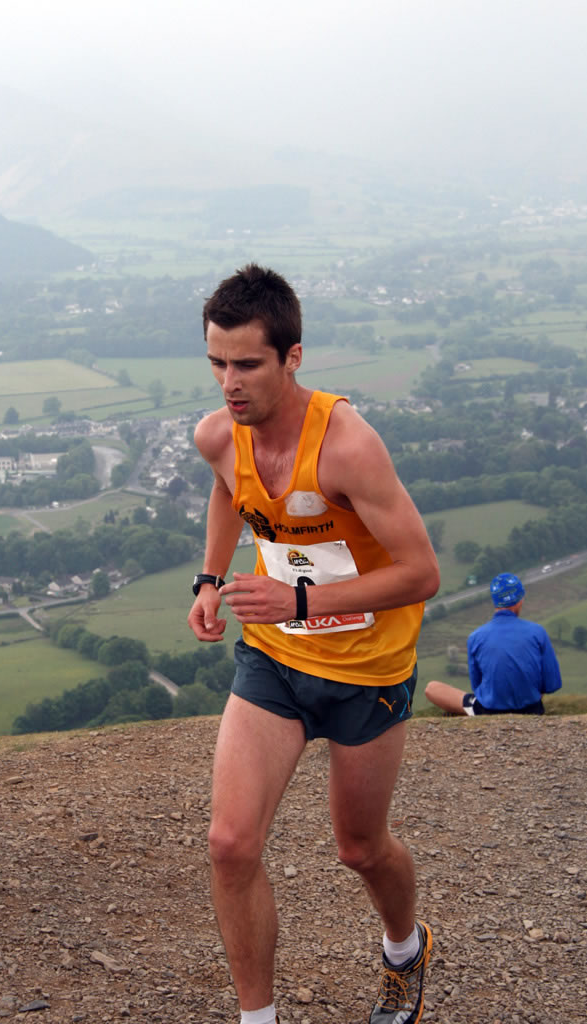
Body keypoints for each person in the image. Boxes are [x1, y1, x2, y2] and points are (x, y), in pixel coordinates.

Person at [187, 264, 440, 1024]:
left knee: (359, 849)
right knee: (230, 844)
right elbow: (228, 489)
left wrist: (299, 599)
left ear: (292, 357)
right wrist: (209, 579)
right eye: (217, 363)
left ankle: (404, 948)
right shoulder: (217, 435)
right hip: (275, 657)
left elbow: (421, 574)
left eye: (247, 364)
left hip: (368, 671)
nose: (229, 384)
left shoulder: (347, 447)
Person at [425, 572, 562, 716]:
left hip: (487, 710)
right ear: (520, 600)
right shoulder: (538, 632)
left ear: (495, 602)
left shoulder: (475, 637)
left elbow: (477, 685)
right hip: (532, 709)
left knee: (432, 688)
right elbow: (552, 684)